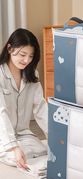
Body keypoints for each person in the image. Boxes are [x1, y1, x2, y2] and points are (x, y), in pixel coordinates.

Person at [0, 28, 48, 170]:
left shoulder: (32, 75)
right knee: (15, 156)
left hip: (22, 133)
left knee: (42, 150)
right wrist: (14, 147)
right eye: (22, 54)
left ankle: (16, 150)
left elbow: (41, 107)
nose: (26, 60)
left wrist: (55, 137)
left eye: (31, 56)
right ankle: (11, 149)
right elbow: (0, 113)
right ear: (9, 48)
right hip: (2, 133)